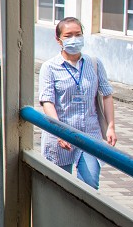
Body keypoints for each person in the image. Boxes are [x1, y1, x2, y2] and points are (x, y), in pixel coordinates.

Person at [38, 17, 117, 189]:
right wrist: (59, 131)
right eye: (68, 35)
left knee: (89, 184)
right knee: (59, 186)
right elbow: (47, 101)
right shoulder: (50, 67)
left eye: (78, 34)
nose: (74, 39)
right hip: (61, 136)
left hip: (90, 134)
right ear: (58, 39)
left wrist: (110, 126)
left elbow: (107, 95)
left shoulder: (94, 63)